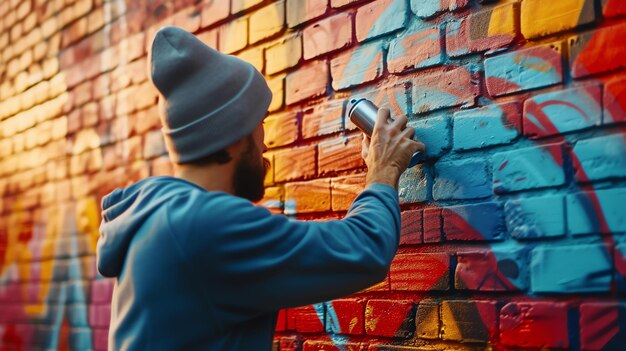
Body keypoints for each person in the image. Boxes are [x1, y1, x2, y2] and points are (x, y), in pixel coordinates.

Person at [97, 26, 424, 350]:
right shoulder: (205, 226)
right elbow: (363, 251)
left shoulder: (160, 217)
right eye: (261, 126)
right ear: (235, 136)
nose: (265, 146)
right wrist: (383, 170)